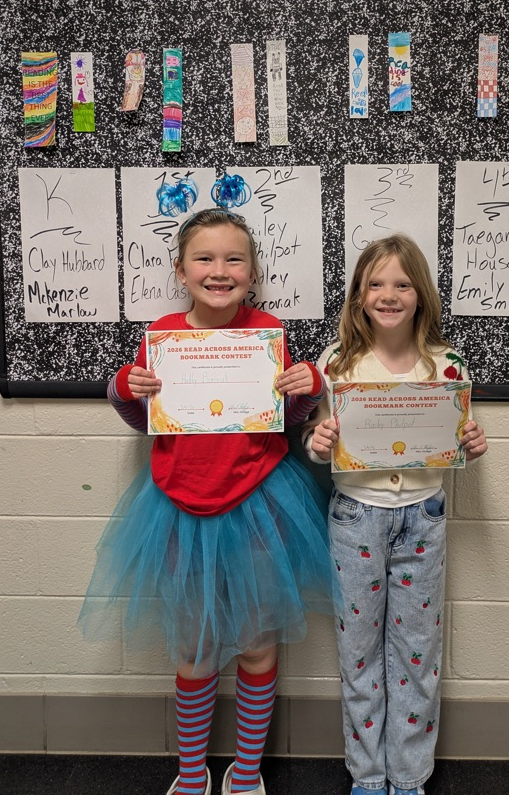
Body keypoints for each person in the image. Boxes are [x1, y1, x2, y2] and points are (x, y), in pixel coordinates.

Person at [79, 208, 332, 795]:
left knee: (257, 641)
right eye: (205, 258)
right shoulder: (164, 335)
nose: (219, 271)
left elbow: (285, 422)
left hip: (260, 504)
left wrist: (307, 390)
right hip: (179, 508)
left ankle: (246, 772)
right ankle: (191, 772)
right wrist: (123, 388)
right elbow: (142, 420)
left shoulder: (268, 330)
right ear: (180, 269)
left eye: (234, 259)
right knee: (192, 646)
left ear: (253, 271)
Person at [304, 234, 488, 795]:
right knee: (358, 654)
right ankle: (367, 776)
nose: (389, 294)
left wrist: (473, 442)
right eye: (376, 283)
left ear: (421, 294)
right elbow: (315, 437)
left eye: (402, 283)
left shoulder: (447, 364)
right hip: (357, 516)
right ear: (359, 295)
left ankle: (407, 778)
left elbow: (456, 438)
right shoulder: (337, 362)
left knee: (416, 653)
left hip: (422, 518)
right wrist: (317, 441)